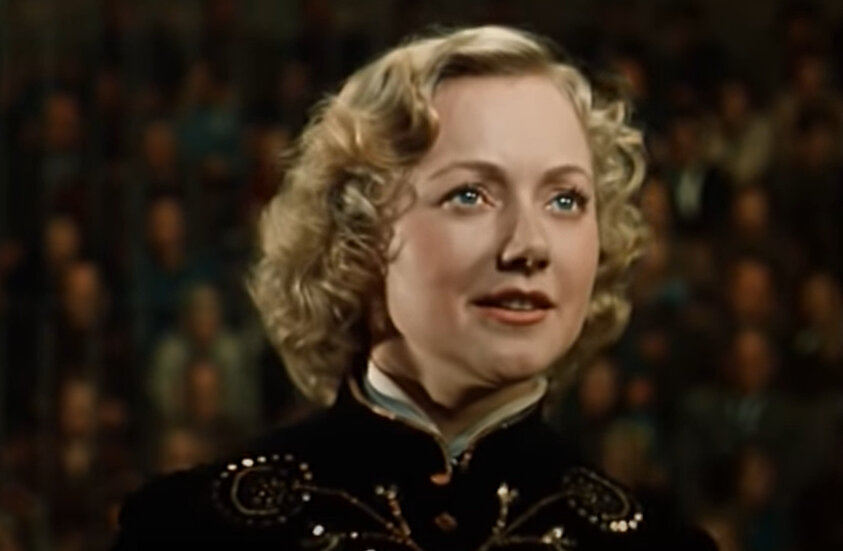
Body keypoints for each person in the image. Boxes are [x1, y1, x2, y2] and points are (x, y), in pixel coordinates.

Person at [111, 26, 715, 550]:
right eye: (471, 195)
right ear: (360, 231)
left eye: (565, 200)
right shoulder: (197, 531)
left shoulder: (655, 545)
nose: (529, 246)